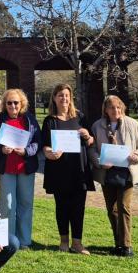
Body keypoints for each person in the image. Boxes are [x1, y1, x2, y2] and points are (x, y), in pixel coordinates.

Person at [89, 95, 138, 257]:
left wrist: (136, 156)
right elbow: (92, 149)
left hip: (127, 172)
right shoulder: (98, 126)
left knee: (124, 207)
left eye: (118, 107)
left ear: (122, 108)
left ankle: (126, 246)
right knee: (112, 209)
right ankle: (118, 243)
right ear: (105, 109)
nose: (115, 110)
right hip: (107, 172)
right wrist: (100, 161)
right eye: (111, 107)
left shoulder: (132, 124)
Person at [41, 83, 96, 255]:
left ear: (70, 98)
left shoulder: (80, 117)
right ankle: (64, 240)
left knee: (79, 207)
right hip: (59, 169)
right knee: (62, 206)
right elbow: (45, 145)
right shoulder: (50, 121)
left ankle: (77, 243)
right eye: (60, 95)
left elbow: (91, 142)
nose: (64, 98)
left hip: (79, 169)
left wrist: (88, 136)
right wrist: (49, 153)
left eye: (66, 95)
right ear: (54, 99)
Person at [0, 88, 41, 249]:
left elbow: (37, 142)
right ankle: (8, 240)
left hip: (25, 167)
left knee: (25, 204)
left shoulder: (29, 120)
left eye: (16, 102)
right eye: (9, 103)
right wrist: (1, 149)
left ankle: (24, 240)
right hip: (7, 168)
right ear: (4, 105)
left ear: (22, 104)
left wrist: (27, 151)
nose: (13, 106)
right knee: (7, 204)